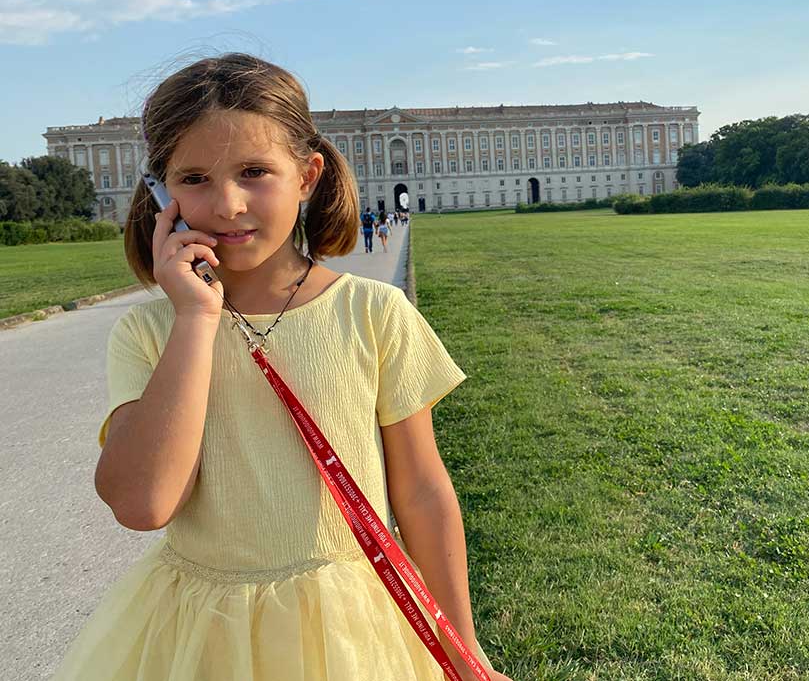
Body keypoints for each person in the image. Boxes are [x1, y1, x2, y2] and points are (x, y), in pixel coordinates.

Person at [53, 54, 508, 681]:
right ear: (161, 194)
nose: (228, 204)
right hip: (202, 634)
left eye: (254, 172)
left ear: (307, 175)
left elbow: (423, 492)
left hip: (351, 626)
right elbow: (144, 502)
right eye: (194, 179)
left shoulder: (374, 312)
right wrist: (193, 320)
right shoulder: (150, 333)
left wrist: (461, 641)